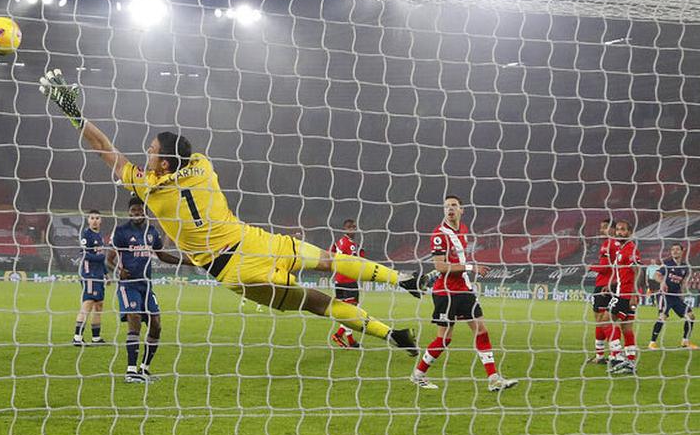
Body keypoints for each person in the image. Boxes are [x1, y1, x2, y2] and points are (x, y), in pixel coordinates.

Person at [38, 69, 421, 355]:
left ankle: (391, 335)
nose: (147, 153)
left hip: (233, 270)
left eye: (152, 150)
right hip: (253, 240)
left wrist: (74, 113)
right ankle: (401, 279)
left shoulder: (146, 187)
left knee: (316, 303)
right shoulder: (202, 165)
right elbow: (175, 152)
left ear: (164, 165)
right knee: (327, 261)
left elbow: (105, 148)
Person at [410, 195, 518, 392]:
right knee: (444, 338)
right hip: (446, 292)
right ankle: (418, 374)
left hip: (464, 289)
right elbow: (440, 266)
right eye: (446, 206)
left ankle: (493, 378)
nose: (450, 209)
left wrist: (468, 272)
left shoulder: (463, 230)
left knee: (481, 330)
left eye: (453, 205)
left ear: (462, 210)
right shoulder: (439, 234)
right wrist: (471, 267)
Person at [108, 197, 189, 383]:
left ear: (145, 211)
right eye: (133, 210)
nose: (137, 213)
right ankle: (130, 371)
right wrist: (118, 271)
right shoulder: (121, 232)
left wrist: (185, 261)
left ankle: (144, 369)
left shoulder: (151, 232)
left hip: (146, 285)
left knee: (156, 324)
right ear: (129, 212)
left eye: (140, 210)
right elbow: (108, 259)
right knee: (134, 319)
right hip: (128, 286)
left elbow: (161, 255)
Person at [606, 220, 642, 375]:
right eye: (618, 230)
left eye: (623, 230)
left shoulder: (631, 249)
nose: (619, 232)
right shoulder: (622, 249)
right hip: (625, 292)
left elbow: (638, 271)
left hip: (626, 294)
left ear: (630, 232)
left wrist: (634, 294)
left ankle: (616, 355)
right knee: (627, 327)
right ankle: (630, 362)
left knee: (607, 319)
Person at [649, 243, 697, 350]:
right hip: (664, 295)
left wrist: (683, 293)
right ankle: (652, 342)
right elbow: (656, 275)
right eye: (672, 250)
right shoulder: (667, 264)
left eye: (677, 249)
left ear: (682, 251)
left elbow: (683, 283)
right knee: (662, 317)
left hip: (676, 297)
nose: (674, 251)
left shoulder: (685, 267)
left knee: (691, 316)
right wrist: (662, 282)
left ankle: (685, 342)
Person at [587, 219, 620, 365]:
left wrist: (591, 267)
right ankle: (603, 355)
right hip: (614, 284)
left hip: (603, 285)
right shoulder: (619, 245)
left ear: (613, 229)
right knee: (605, 321)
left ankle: (613, 355)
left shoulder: (608, 244)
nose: (602, 230)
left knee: (602, 321)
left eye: (605, 227)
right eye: (601, 227)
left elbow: (605, 267)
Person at [74, 210, 107, 346]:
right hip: (89, 274)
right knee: (88, 303)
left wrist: (106, 273)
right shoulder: (86, 235)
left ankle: (96, 338)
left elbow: (100, 257)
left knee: (99, 305)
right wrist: (101, 257)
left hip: (99, 275)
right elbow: (83, 254)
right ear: (88, 220)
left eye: (97, 218)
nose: (94, 220)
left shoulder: (99, 236)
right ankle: (77, 337)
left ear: (101, 220)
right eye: (92, 218)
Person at [330, 218, 363, 348]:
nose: (354, 230)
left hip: (339, 280)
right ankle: (338, 334)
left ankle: (350, 340)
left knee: (347, 311)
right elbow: (355, 261)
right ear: (345, 229)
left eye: (354, 227)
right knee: (353, 311)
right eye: (351, 227)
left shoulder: (338, 242)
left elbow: (331, 255)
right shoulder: (350, 244)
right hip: (348, 280)